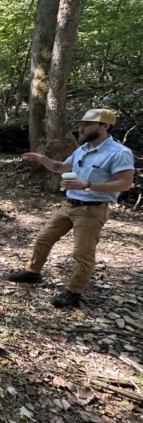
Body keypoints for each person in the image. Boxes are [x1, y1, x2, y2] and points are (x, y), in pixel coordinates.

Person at [8, 109, 134, 308]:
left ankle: (74, 292)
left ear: (104, 126)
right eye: (81, 123)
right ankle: (32, 273)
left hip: (92, 210)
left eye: (87, 124)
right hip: (69, 205)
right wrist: (42, 159)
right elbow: (61, 167)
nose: (81, 127)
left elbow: (125, 183)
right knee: (43, 238)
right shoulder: (82, 149)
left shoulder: (119, 153)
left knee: (82, 254)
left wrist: (88, 185)